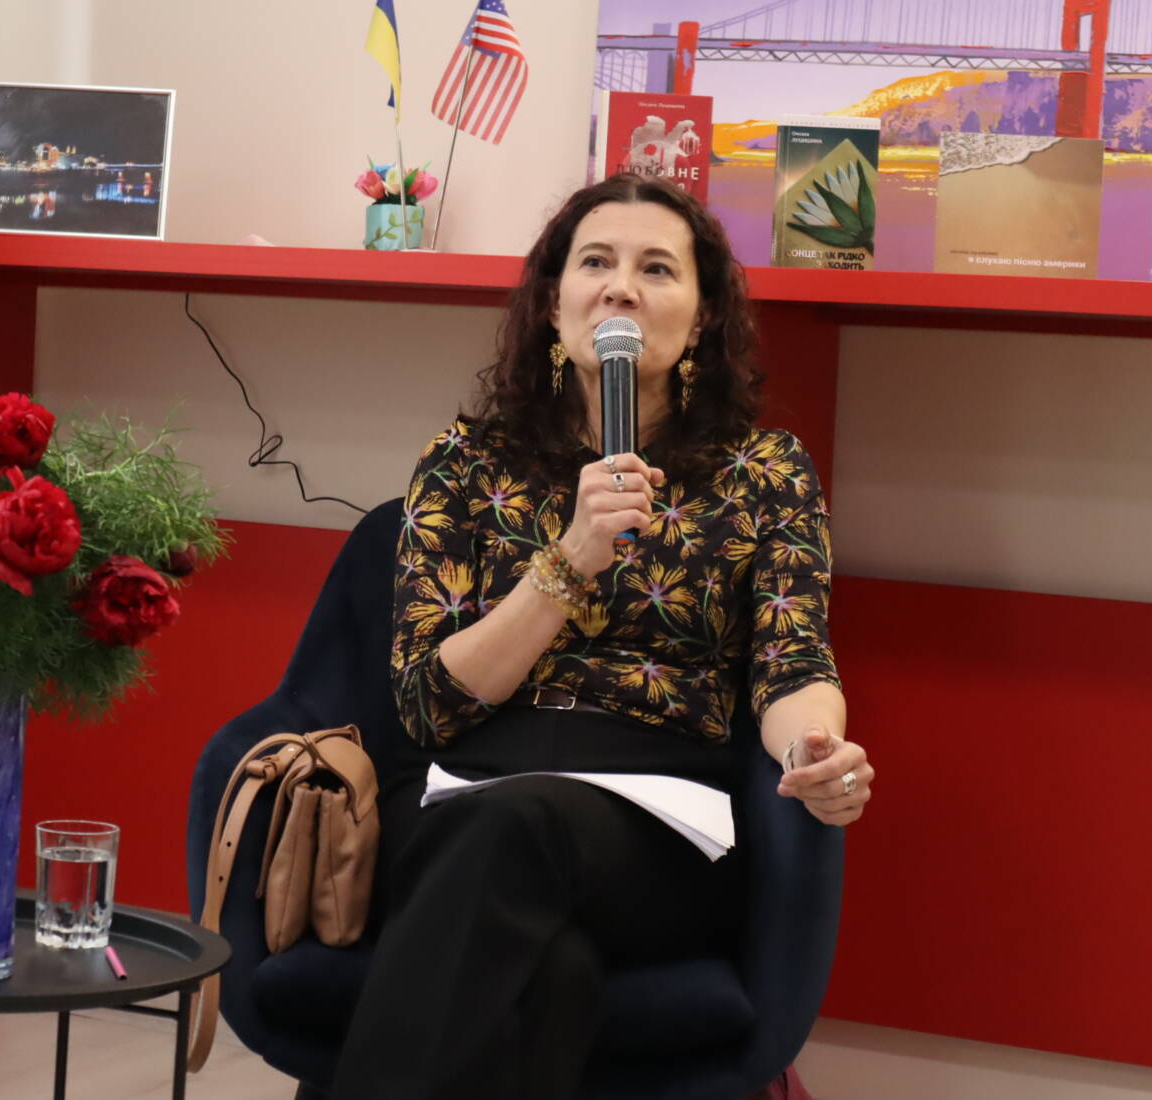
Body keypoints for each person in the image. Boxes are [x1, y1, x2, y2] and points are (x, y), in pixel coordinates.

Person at [328, 173, 875, 1100]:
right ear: (553, 304)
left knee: (517, 836)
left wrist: (814, 750)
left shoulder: (765, 472)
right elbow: (427, 703)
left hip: (659, 829)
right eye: (595, 263)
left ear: (703, 316)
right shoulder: (464, 462)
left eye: (656, 269)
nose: (620, 288)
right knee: (554, 974)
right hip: (467, 798)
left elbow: (794, 662)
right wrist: (573, 556)